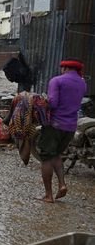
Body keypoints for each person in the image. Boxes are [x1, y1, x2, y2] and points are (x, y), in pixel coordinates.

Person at [37, 58, 87, 203]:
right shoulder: (82, 83)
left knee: (46, 157)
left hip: (54, 125)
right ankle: (62, 184)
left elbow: (52, 104)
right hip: (71, 126)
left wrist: (42, 102)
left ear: (64, 68)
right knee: (56, 154)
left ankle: (48, 195)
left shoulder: (57, 81)